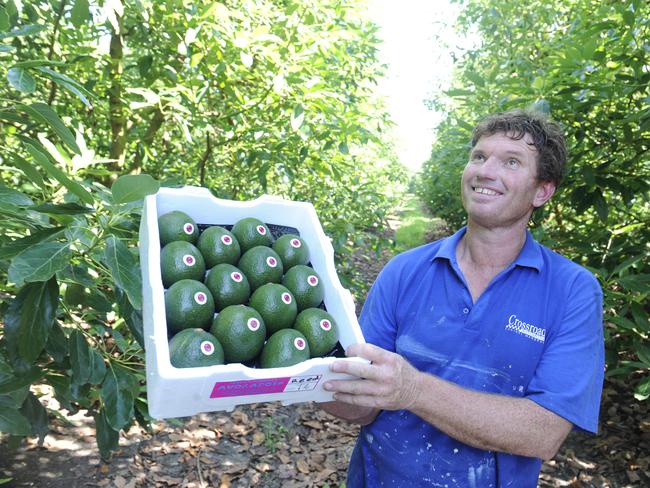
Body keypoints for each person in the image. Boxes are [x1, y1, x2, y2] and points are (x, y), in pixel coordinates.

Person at [322, 109, 605, 487]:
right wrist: (307, 378)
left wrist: (413, 389)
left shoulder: (573, 290)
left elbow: (544, 432)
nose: (485, 171)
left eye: (511, 161)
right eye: (479, 156)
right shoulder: (404, 271)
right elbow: (362, 406)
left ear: (542, 190)